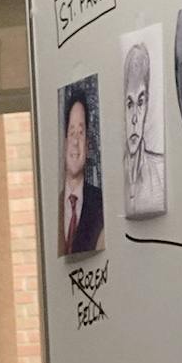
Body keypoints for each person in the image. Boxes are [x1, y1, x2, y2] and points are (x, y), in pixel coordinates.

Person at [123, 41, 169, 218]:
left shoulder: (160, 171)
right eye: (129, 104)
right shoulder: (115, 180)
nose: (135, 118)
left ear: (147, 105)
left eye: (140, 102)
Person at [58, 86, 106, 255]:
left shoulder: (101, 204)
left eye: (81, 133)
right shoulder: (54, 207)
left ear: (88, 144)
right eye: (71, 133)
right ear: (63, 143)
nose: (76, 142)